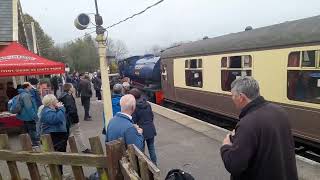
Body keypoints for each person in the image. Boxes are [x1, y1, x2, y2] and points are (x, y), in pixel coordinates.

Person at [220, 76, 298, 180]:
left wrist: (226, 146)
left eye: (233, 96)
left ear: (241, 97)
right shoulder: (279, 111)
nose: (232, 99)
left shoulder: (247, 123)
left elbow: (235, 166)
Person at [38, 94, 68, 175]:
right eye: (56, 100)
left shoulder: (50, 109)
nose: (57, 101)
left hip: (57, 135)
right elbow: (57, 119)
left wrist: (59, 108)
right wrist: (61, 108)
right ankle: (58, 174)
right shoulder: (47, 111)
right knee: (57, 156)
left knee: (59, 156)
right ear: (52, 102)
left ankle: (59, 173)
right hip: (54, 136)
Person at [58, 83, 92, 153]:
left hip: (67, 119)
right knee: (72, 134)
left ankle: (82, 148)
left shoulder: (63, 96)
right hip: (71, 120)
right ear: (70, 89)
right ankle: (63, 149)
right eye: (72, 87)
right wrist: (76, 120)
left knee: (73, 134)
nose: (73, 88)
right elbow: (71, 109)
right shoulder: (68, 97)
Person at [129, 88, 157, 165]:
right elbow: (151, 116)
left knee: (141, 149)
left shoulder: (134, 107)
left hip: (141, 130)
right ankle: (154, 164)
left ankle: (143, 165)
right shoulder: (147, 104)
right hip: (151, 128)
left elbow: (133, 120)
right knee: (151, 148)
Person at [16, 82, 39, 147]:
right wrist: (34, 116)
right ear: (27, 87)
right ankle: (35, 143)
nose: (31, 87)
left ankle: (31, 142)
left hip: (25, 115)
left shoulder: (23, 94)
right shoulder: (25, 95)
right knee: (32, 129)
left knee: (29, 129)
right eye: (30, 86)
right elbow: (29, 107)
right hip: (28, 116)